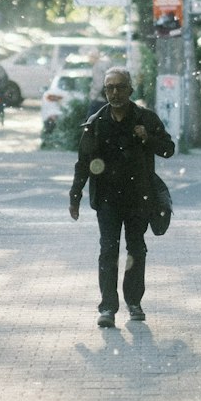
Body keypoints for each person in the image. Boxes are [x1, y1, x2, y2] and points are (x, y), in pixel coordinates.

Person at [68, 66, 175, 328]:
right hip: (107, 199)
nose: (115, 92)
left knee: (136, 249)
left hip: (139, 197)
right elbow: (83, 162)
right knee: (108, 251)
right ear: (105, 91)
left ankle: (134, 302)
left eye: (120, 87)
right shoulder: (95, 123)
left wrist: (147, 138)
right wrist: (75, 194)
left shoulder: (146, 119)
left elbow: (168, 149)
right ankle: (107, 308)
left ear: (130, 89)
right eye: (110, 88)